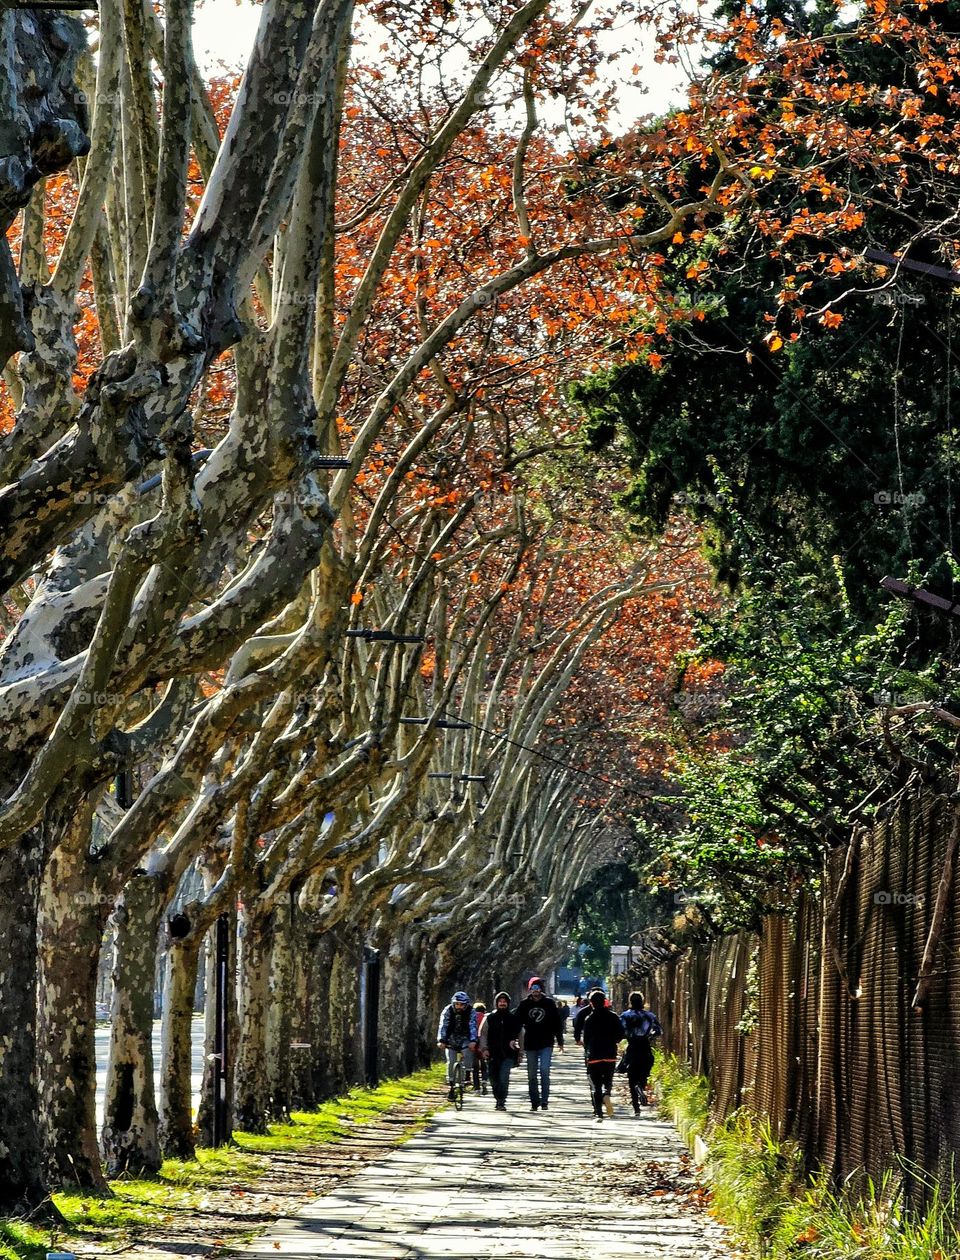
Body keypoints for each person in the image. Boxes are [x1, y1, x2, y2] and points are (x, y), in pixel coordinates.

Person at [515, 978, 564, 1111]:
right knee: (531, 1074)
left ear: (541, 989)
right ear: (530, 990)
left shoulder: (549, 1003)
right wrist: (514, 1039)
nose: (535, 991)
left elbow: (557, 1023)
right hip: (530, 1043)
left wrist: (560, 1041)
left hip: (546, 1043)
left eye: (537, 988)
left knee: (544, 1071)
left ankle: (544, 1101)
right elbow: (516, 1022)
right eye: (533, 988)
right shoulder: (524, 1004)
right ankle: (534, 1102)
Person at [581, 988, 625, 1121]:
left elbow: (586, 1039)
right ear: (605, 1001)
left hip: (594, 1055)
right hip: (610, 1054)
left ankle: (598, 1112)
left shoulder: (589, 1019)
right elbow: (621, 1034)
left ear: (591, 1003)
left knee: (595, 1085)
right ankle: (607, 1094)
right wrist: (614, 1041)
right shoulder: (613, 1017)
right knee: (608, 1080)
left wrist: (587, 1051)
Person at [620, 990, 663, 1113]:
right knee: (645, 1071)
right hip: (645, 1046)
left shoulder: (625, 1015)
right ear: (642, 1001)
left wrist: (625, 1036)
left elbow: (620, 1030)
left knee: (631, 1075)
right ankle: (641, 1086)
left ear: (630, 1002)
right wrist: (650, 1035)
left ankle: (636, 1107)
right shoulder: (650, 1016)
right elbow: (658, 1030)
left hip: (632, 1046)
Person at [478, 991, 523, 1110]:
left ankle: (501, 1101)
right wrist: (484, 1049)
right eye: (500, 1002)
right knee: (493, 1079)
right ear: (496, 1003)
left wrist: (521, 1052)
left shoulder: (514, 1019)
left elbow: (521, 1035)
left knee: (504, 1077)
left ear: (508, 1003)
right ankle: (497, 1097)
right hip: (492, 1053)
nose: (502, 1004)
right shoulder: (489, 1018)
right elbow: (483, 1034)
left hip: (508, 1054)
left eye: (504, 1002)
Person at [437, 991, 479, 1101]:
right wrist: (441, 1040)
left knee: (468, 1052)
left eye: (462, 1004)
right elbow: (443, 1025)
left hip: (465, 1037)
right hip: (451, 1038)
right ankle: (451, 1086)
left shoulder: (471, 1011)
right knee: (451, 1061)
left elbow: (473, 1026)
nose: (459, 1007)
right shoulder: (447, 1010)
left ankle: (467, 1074)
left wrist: (473, 1041)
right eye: (457, 1004)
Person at [471, 1001, 489, 1094]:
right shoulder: (485, 1017)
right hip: (482, 1042)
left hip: (473, 1042)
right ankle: (484, 1080)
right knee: (483, 1064)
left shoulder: (472, 1017)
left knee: (475, 1067)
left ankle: (477, 1088)